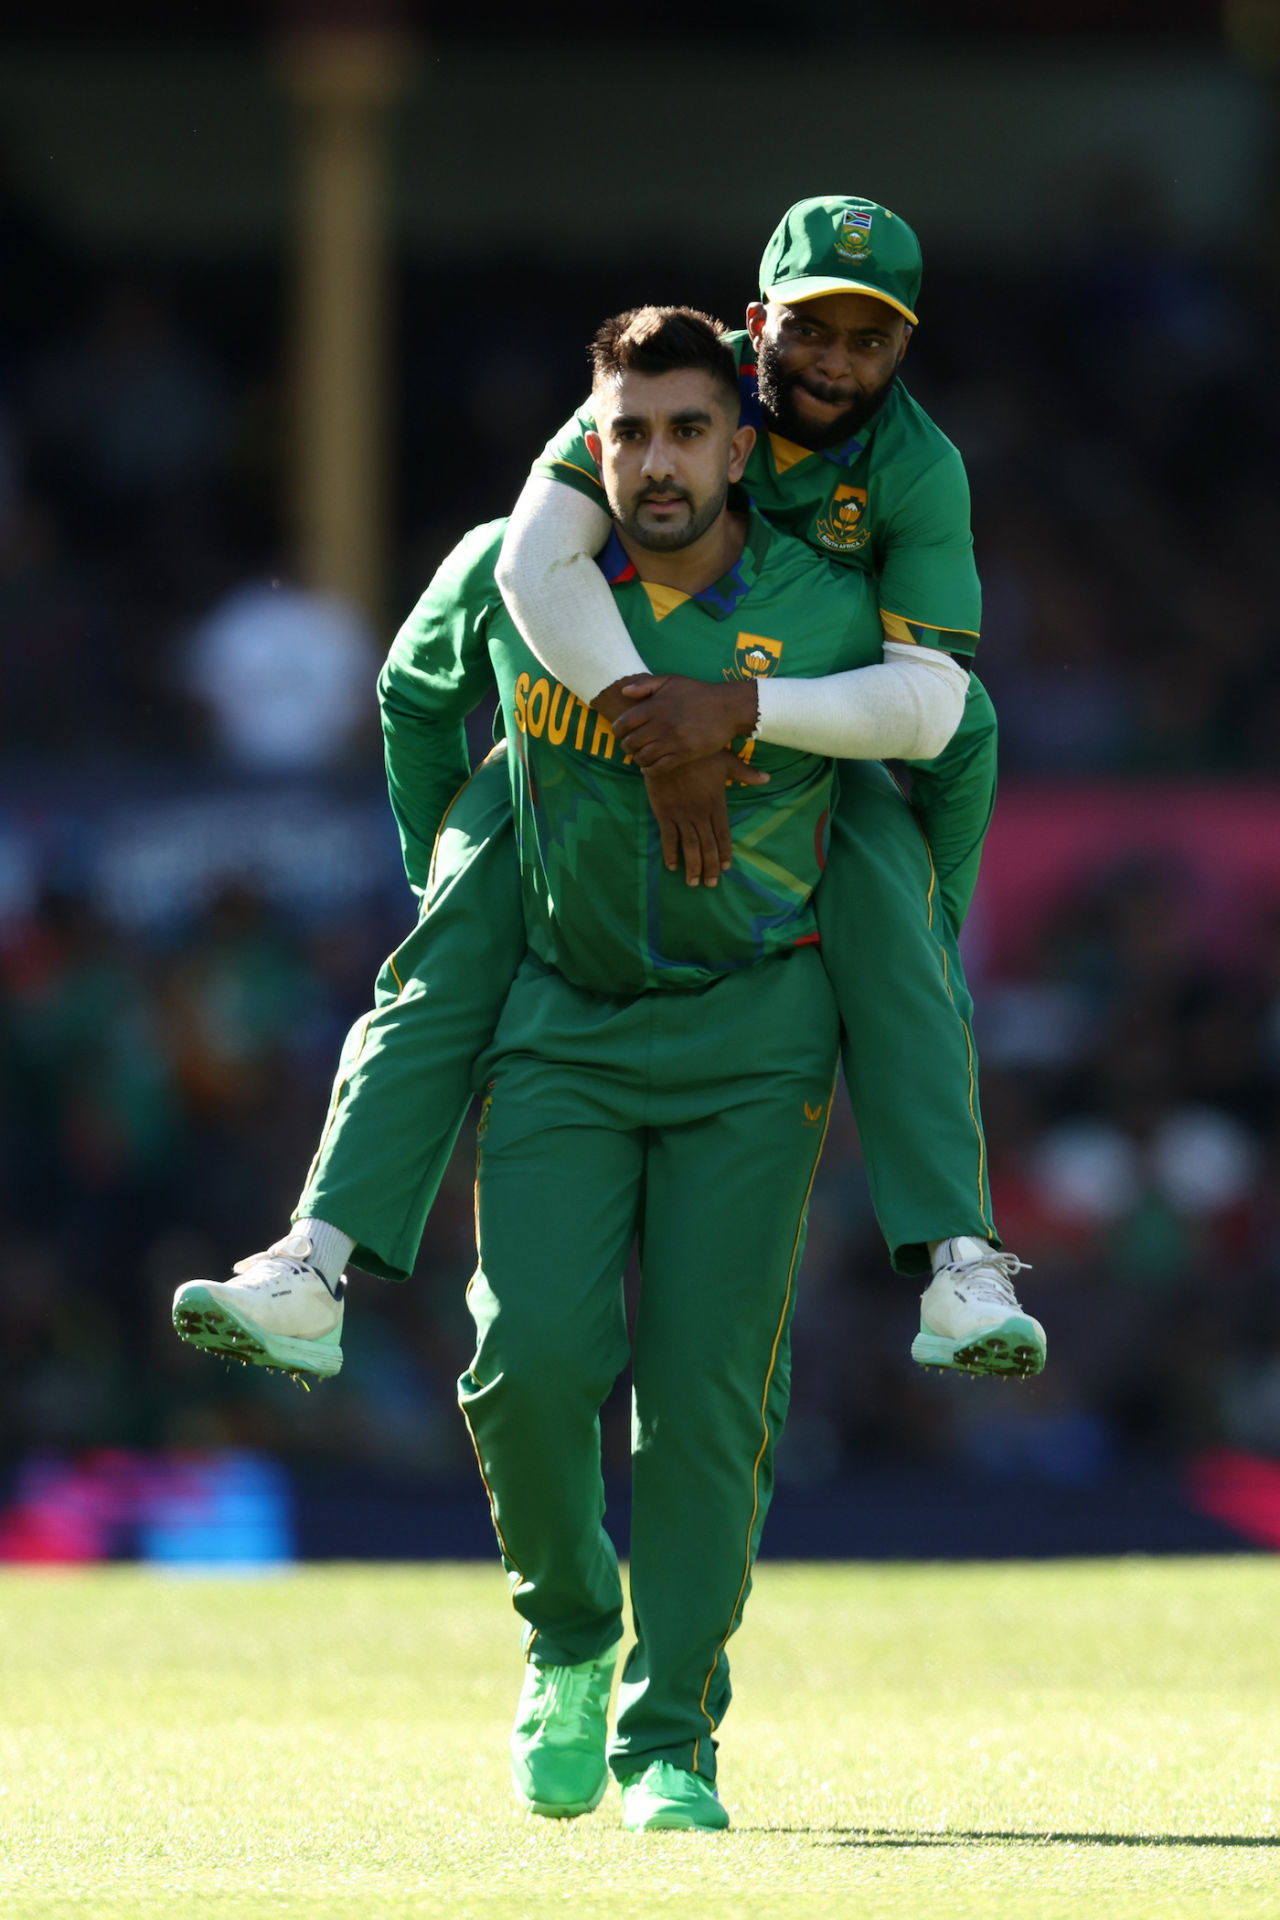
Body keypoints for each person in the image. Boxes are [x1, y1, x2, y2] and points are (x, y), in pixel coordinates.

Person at [180, 310, 1028, 1829]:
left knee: (707, 1404)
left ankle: (671, 1741)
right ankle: (568, 1638)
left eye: (689, 432)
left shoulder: (829, 608)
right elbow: (409, 692)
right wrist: (463, 852)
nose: (656, 461)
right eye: (627, 432)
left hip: (754, 1038)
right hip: (565, 1019)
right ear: (594, 440)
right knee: (532, 1369)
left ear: (741, 442)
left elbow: (953, 735)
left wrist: (923, 905)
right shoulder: (520, 570)